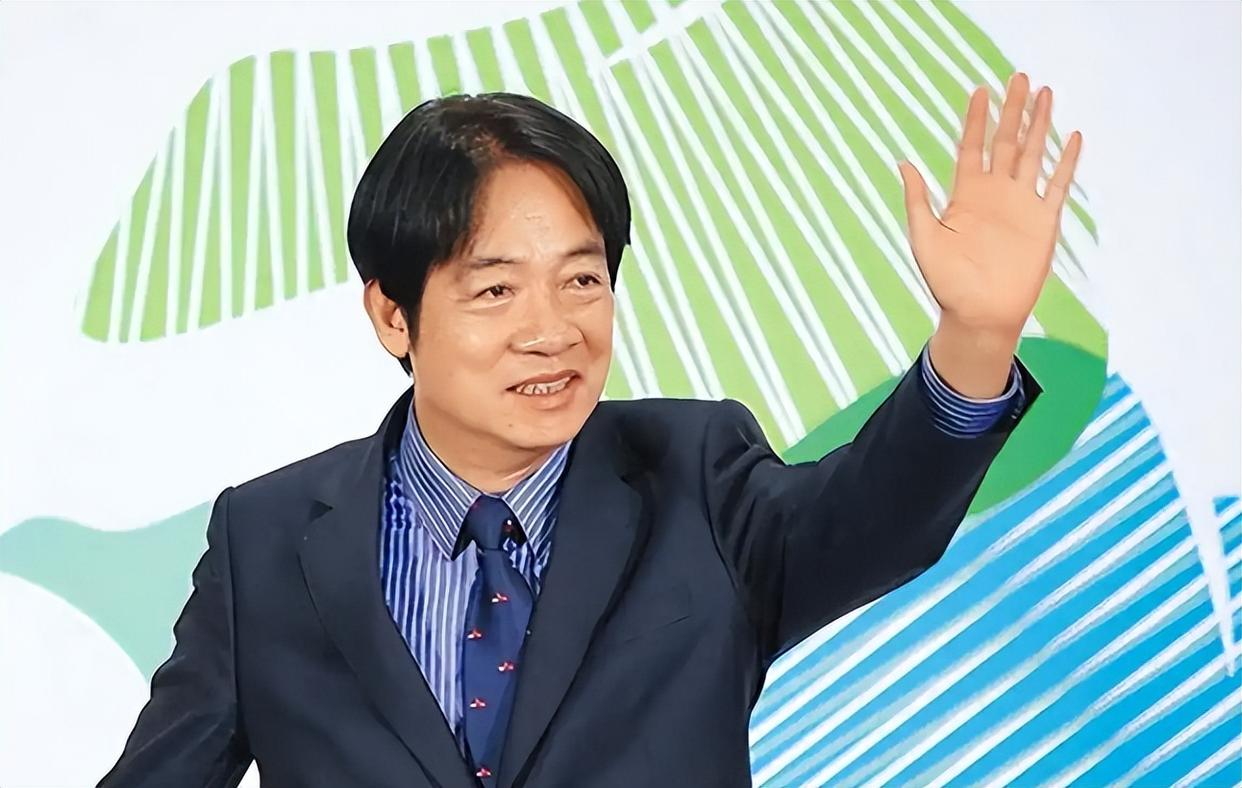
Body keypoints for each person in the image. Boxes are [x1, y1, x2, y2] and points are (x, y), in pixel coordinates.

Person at [99, 73, 1080, 787]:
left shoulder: (696, 478)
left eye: (582, 279)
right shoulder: (267, 540)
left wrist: (976, 335)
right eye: (496, 290)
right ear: (394, 314)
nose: (553, 330)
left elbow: (873, 518)